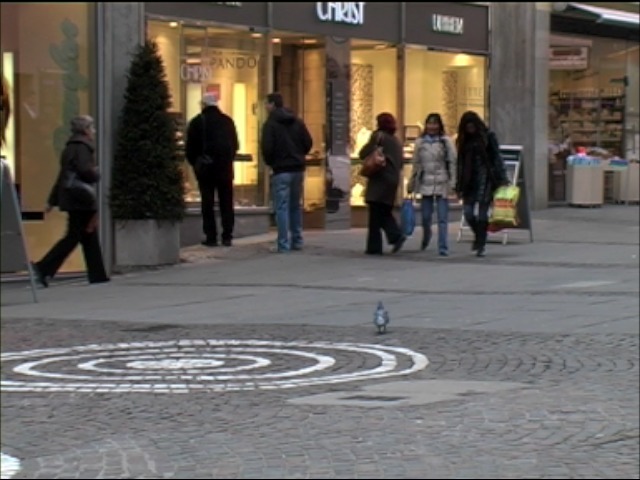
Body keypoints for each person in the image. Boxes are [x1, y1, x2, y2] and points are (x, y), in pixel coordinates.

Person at [32, 115, 109, 287]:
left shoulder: (70, 147)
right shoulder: (83, 147)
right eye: (91, 128)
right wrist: (96, 173)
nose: (94, 131)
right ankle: (43, 267)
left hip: (73, 196)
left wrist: (52, 200)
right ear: (85, 130)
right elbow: (85, 171)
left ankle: (98, 275)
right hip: (81, 197)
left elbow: (62, 176)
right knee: (74, 236)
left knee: (88, 234)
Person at [260, 92, 312, 253]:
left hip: (281, 170)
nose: (265, 107)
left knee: (282, 207)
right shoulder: (297, 121)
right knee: (295, 205)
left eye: (267, 104)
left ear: (272, 105)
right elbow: (308, 142)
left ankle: (283, 243)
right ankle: (297, 240)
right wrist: (299, 155)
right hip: (297, 168)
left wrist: (272, 163)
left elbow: (267, 148)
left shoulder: (270, 124)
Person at [185, 93, 239, 247]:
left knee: (207, 203)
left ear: (203, 105)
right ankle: (227, 235)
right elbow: (235, 145)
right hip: (225, 169)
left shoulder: (197, 122)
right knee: (226, 202)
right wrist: (227, 160)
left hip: (206, 170)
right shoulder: (227, 121)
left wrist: (196, 164)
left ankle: (211, 236)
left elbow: (190, 149)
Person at [454, 111, 509, 258]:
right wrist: (458, 184)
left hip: (486, 179)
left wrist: (502, 178)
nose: (470, 129)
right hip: (469, 180)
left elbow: (497, 158)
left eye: (472, 126)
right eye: (467, 127)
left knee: (482, 213)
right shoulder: (463, 140)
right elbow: (460, 164)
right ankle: (479, 236)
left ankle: (481, 243)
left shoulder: (488, 137)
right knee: (468, 213)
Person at [408, 113, 457, 256]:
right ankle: (426, 235)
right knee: (425, 217)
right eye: (430, 123)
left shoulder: (446, 142)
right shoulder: (420, 142)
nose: (432, 126)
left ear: (440, 125)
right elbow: (416, 164)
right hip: (426, 182)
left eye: (435, 123)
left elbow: (452, 162)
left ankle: (443, 246)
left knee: (442, 218)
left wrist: (453, 182)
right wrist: (412, 182)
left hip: (442, 181)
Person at [358, 112, 405, 255]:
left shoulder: (379, 136)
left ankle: (382, 243)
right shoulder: (396, 141)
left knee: (375, 212)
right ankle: (392, 237)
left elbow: (363, 153)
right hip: (393, 179)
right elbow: (401, 163)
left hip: (380, 179)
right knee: (383, 211)